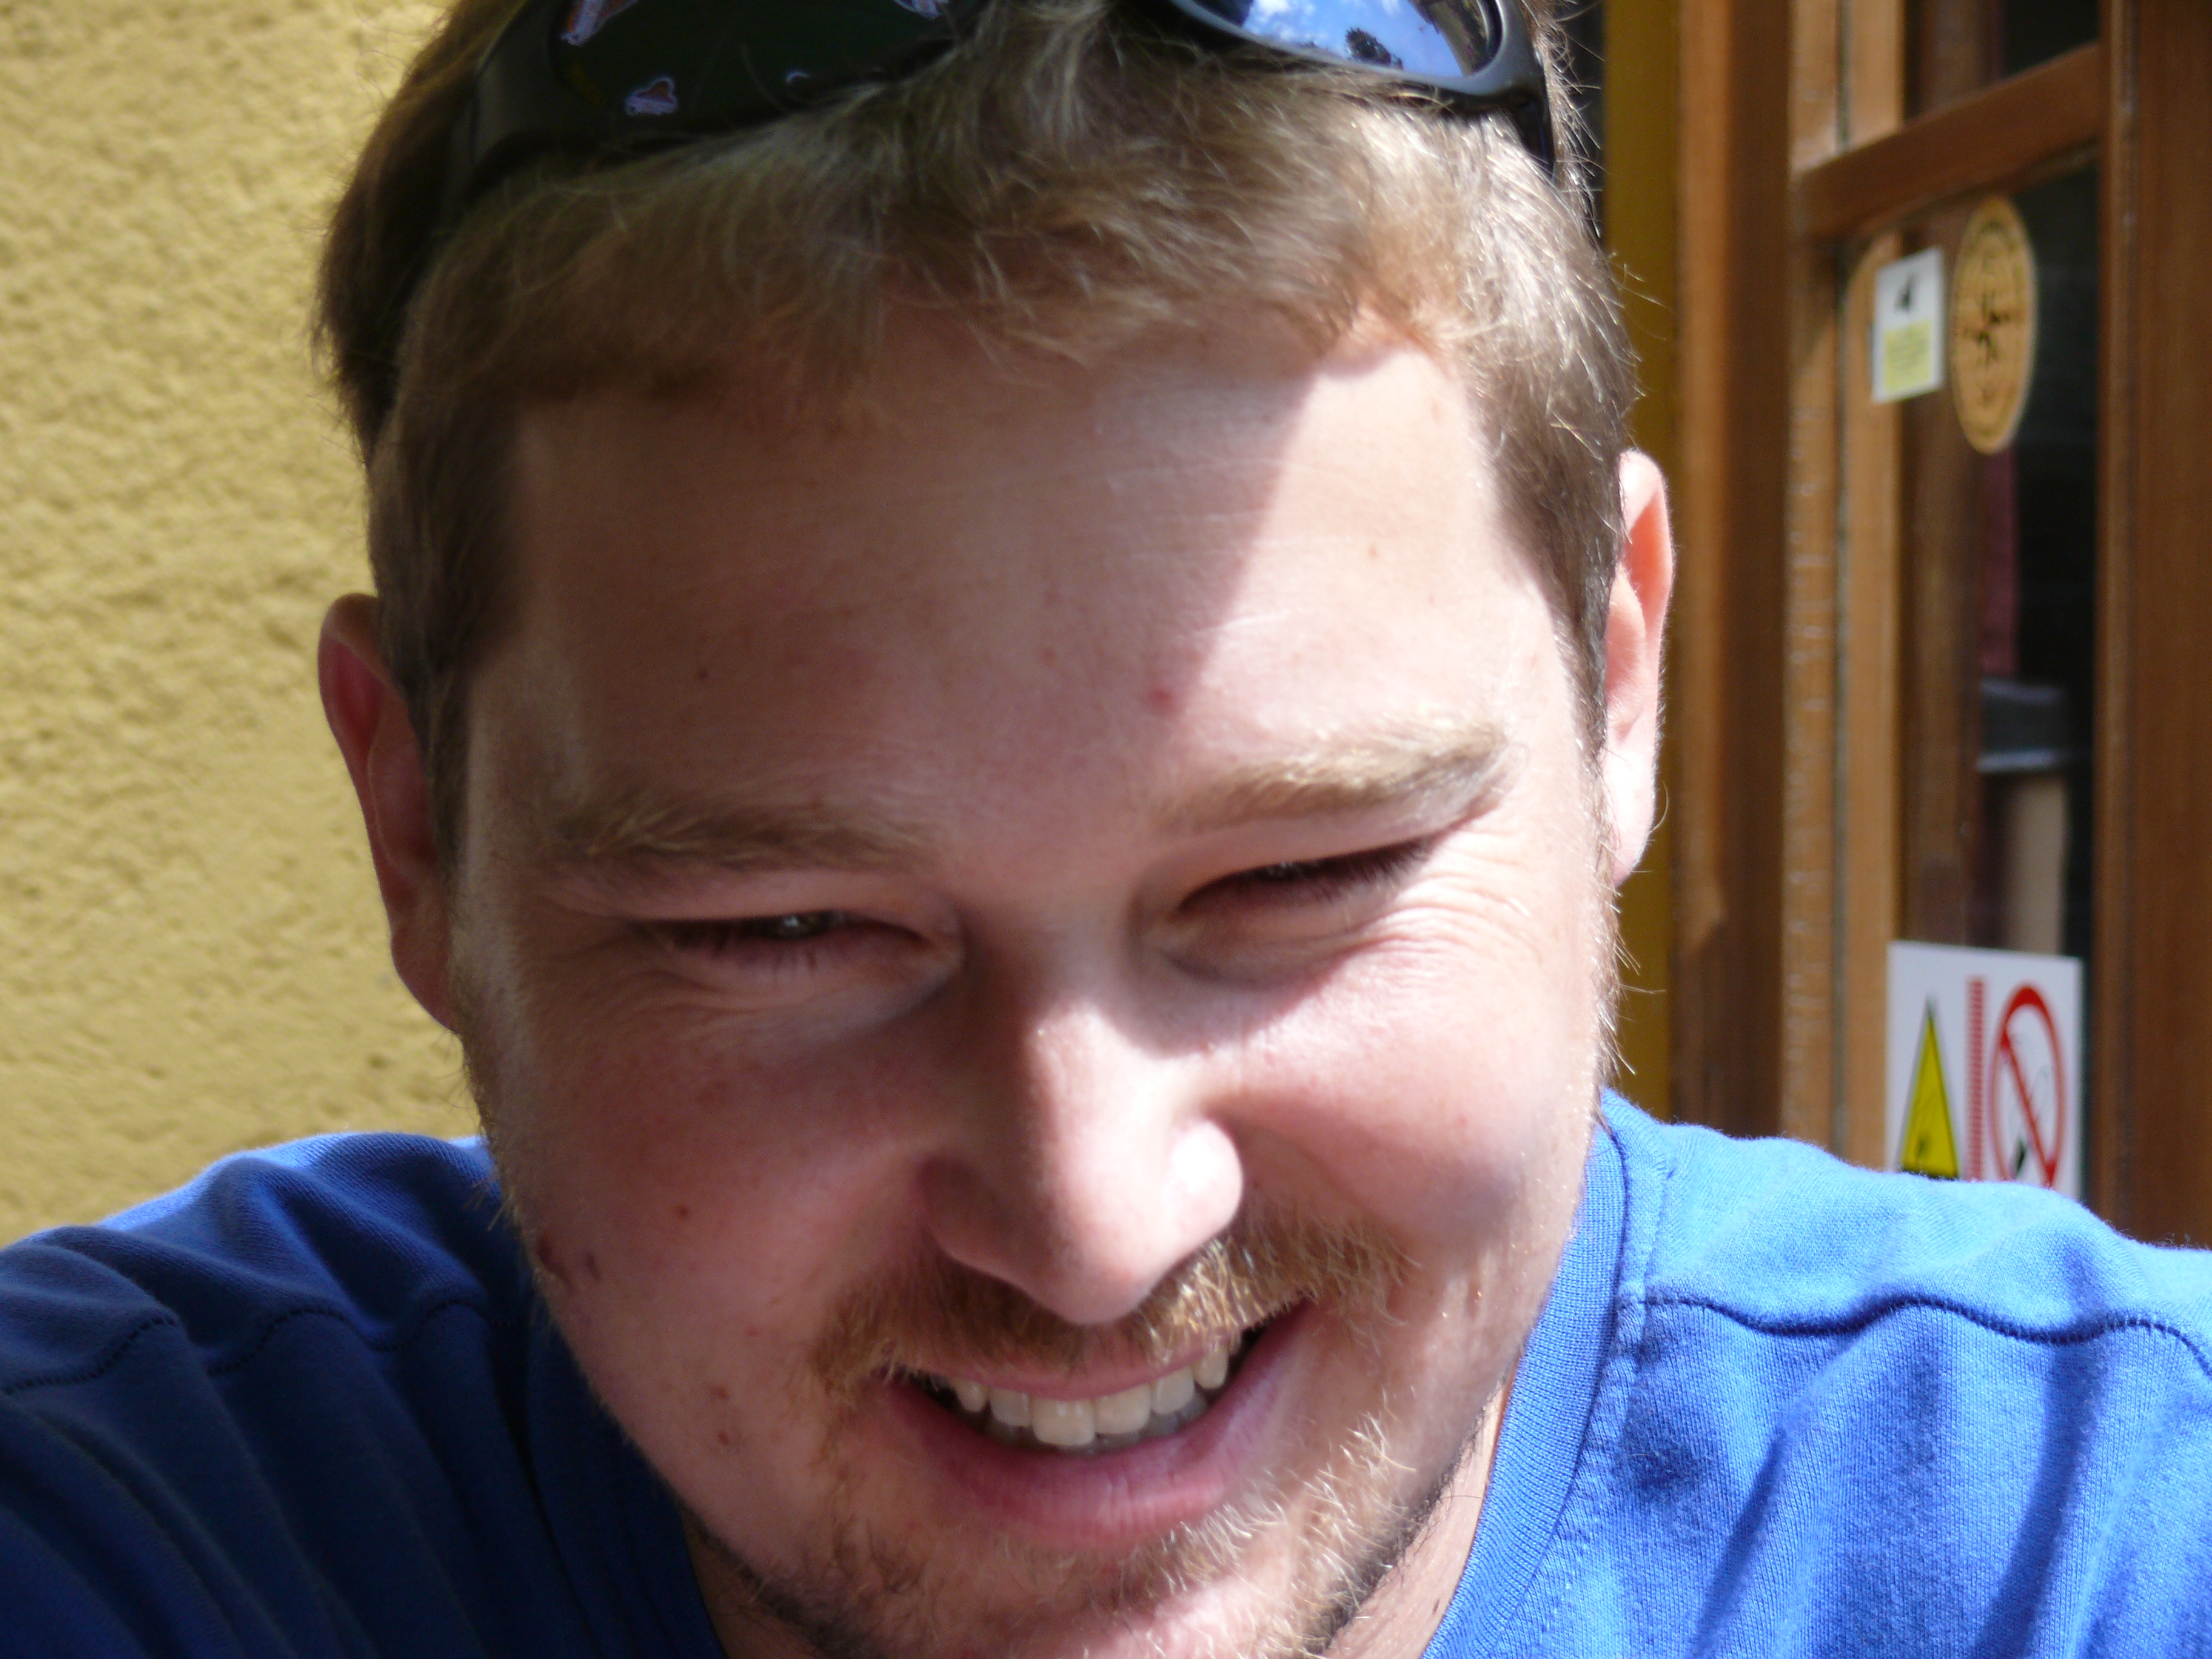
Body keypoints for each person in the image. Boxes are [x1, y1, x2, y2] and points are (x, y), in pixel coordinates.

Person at [3, 1, 2209, 1655]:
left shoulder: (2106, 1547)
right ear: (415, 833)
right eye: (777, 926)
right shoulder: (126, 1535)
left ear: (1614, 690)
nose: (1089, 1229)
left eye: (1302, 879)